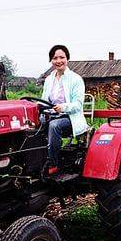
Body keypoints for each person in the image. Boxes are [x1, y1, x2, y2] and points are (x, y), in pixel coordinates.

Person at [41, 45, 87, 176]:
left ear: (67, 59)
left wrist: (63, 107)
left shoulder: (75, 79)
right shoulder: (49, 79)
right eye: (55, 58)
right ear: (51, 60)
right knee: (31, 127)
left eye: (62, 57)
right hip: (51, 115)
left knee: (54, 126)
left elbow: (78, 105)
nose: (58, 60)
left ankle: (53, 163)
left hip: (70, 117)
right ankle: (35, 161)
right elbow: (44, 100)